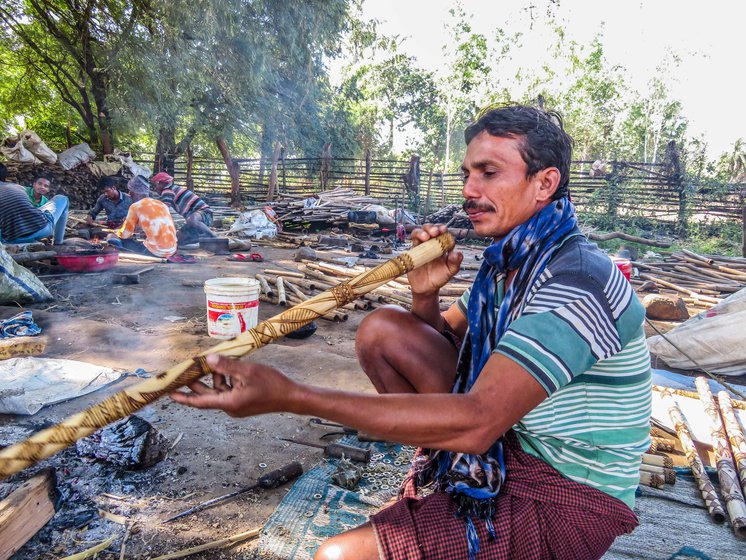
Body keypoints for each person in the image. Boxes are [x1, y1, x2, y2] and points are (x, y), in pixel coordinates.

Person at [170, 105, 652, 560]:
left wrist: (292, 395)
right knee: (384, 330)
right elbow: (441, 347)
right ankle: (449, 482)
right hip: (510, 440)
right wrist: (424, 295)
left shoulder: (578, 280)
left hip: (566, 495)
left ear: (545, 182)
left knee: (335, 555)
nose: (468, 188)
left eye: (488, 172)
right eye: (467, 173)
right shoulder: (511, 262)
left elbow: (478, 420)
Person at [106, 175, 177, 258]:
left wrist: (115, 233)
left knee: (111, 237)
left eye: (130, 191)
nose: (129, 194)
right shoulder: (161, 204)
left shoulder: (136, 206)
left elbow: (125, 234)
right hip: (172, 250)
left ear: (134, 192)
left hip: (156, 252)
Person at [0, 163, 69, 246]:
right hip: (40, 230)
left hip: (11, 239)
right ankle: (58, 244)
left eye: (46, 186)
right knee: (62, 198)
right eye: (40, 184)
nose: (42, 187)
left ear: (48, 190)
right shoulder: (18, 188)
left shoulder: (44, 201)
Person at [150, 172, 216, 244]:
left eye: (155, 185)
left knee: (192, 220)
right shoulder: (171, 190)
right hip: (197, 223)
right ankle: (203, 239)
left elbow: (163, 209)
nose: (155, 188)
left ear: (161, 183)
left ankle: (214, 237)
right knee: (177, 241)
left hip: (204, 213)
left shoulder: (167, 190)